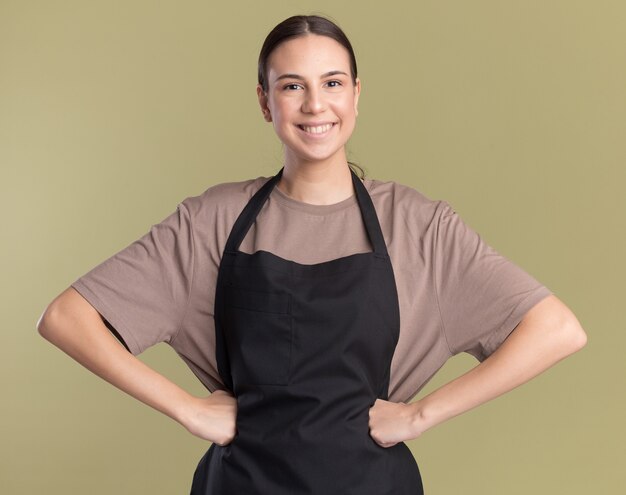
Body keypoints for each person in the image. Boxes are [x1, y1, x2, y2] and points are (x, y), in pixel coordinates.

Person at [37, 14, 587, 495]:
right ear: (264, 100)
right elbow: (66, 318)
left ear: (356, 94)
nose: (315, 104)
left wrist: (422, 414)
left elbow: (556, 329)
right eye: (292, 86)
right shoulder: (213, 221)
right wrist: (186, 408)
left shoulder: (419, 227)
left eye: (332, 82)